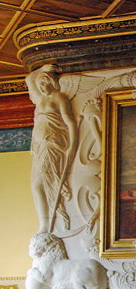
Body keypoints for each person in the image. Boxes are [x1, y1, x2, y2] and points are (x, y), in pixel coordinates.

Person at [26, 64, 78, 233]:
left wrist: (72, 145)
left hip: (52, 144)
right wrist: (40, 70)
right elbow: (29, 79)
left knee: (42, 183)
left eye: (44, 83)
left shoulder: (59, 98)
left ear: (51, 82)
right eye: (39, 84)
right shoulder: (39, 99)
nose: (41, 87)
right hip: (40, 146)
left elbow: (71, 123)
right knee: (36, 185)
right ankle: (45, 223)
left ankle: (47, 225)